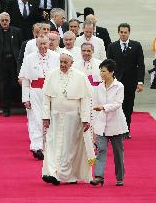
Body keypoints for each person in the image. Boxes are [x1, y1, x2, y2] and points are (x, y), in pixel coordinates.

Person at [41, 51, 93, 185]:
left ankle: (68, 176)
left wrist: (86, 119)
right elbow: (46, 98)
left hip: (73, 119)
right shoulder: (52, 74)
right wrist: (45, 117)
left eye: (65, 62)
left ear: (72, 63)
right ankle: (52, 173)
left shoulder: (80, 76)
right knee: (52, 145)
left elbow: (85, 99)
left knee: (69, 147)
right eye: (61, 62)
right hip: (55, 117)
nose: (63, 65)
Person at [21, 34, 60, 160]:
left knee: (50, 120)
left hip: (52, 92)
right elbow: (25, 80)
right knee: (35, 120)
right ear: (36, 45)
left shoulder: (56, 57)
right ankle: (37, 147)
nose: (43, 46)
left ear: (49, 44)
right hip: (35, 92)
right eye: (40, 44)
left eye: (45, 44)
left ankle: (48, 147)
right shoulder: (29, 58)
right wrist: (25, 98)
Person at [90, 59, 128, 187]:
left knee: (118, 152)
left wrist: (103, 107)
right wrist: (94, 128)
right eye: (100, 70)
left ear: (111, 72)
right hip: (101, 124)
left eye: (104, 71)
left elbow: (117, 104)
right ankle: (99, 176)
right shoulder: (98, 87)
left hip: (116, 125)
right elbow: (95, 106)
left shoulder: (119, 86)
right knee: (101, 150)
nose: (101, 73)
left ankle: (120, 177)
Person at [107, 23, 145, 139]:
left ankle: (126, 130)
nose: (123, 34)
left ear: (129, 33)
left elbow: (140, 64)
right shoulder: (112, 46)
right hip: (116, 82)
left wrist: (140, 82)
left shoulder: (136, 46)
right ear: (118, 33)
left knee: (128, 106)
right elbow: (109, 64)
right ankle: (114, 130)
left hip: (130, 82)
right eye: (121, 32)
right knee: (115, 107)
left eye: (125, 32)